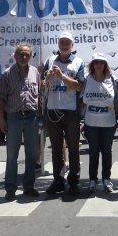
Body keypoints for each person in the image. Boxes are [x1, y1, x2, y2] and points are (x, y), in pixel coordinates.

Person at [41, 33, 85, 197]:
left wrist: (61, 76)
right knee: (56, 149)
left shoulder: (78, 62)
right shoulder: (49, 61)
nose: (64, 45)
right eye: (62, 42)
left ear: (72, 45)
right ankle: (58, 180)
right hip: (52, 110)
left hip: (71, 111)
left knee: (73, 147)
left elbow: (79, 86)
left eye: (67, 42)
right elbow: (43, 85)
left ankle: (73, 181)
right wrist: (47, 79)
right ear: (58, 44)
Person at [0, 42, 42, 200]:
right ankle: (10, 188)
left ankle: (29, 186)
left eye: (27, 54)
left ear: (30, 56)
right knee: (12, 155)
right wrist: (2, 120)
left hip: (32, 117)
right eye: (21, 54)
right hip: (14, 118)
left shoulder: (35, 72)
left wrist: (41, 116)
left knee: (31, 154)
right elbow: (1, 98)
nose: (24, 57)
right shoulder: (7, 74)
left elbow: (39, 95)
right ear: (15, 56)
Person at [81, 53, 118, 194]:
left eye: (101, 62)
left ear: (105, 65)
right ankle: (92, 180)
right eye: (96, 62)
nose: (99, 65)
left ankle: (106, 179)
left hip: (108, 122)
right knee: (93, 151)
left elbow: (117, 101)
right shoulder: (86, 79)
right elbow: (82, 101)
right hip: (91, 122)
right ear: (92, 64)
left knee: (106, 152)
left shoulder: (113, 79)